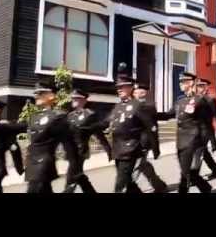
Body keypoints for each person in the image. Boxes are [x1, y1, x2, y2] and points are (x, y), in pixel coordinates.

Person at [105, 63, 160, 193]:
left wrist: (155, 147)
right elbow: (108, 121)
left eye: (122, 87)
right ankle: (159, 185)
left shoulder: (141, 106)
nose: (118, 89)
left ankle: (158, 185)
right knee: (130, 182)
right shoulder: (119, 106)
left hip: (133, 148)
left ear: (131, 88)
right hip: (119, 150)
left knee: (121, 185)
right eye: (117, 87)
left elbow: (152, 127)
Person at [157, 72, 212, 193]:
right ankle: (206, 188)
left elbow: (206, 124)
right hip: (181, 142)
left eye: (183, 81)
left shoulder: (200, 101)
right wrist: (151, 115)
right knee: (190, 173)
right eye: (180, 82)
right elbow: (168, 115)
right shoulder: (180, 101)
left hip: (194, 142)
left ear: (191, 83)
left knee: (185, 174)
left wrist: (203, 143)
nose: (180, 84)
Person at [62, 89, 112, 194]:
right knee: (79, 176)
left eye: (77, 98)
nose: (74, 100)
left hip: (81, 151)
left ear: (84, 100)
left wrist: (108, 149)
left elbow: (98, 133)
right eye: (73, 98)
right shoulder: (70, 116)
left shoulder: (89, 115)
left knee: (71, 178)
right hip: (71, 151)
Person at [131, 82, 168, 193]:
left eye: (140, 92)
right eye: (136, 91)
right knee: (143, 165)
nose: (137, 93)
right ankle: (159, 185)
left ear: (145, 93)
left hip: (143, 142)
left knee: (135, 167)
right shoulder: (130, 105)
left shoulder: (148, 107)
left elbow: (151, 127)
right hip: (132, 142)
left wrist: (152, 145)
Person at [195, 78, 216, 180]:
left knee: (198, 152)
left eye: (202, 86)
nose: (200, 88)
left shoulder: (210, 100)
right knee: (204, 152)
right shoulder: (194, 99)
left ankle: (194, 177)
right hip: (195, 130)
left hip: (206, 130)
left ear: (206, 87)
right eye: (198, 86)